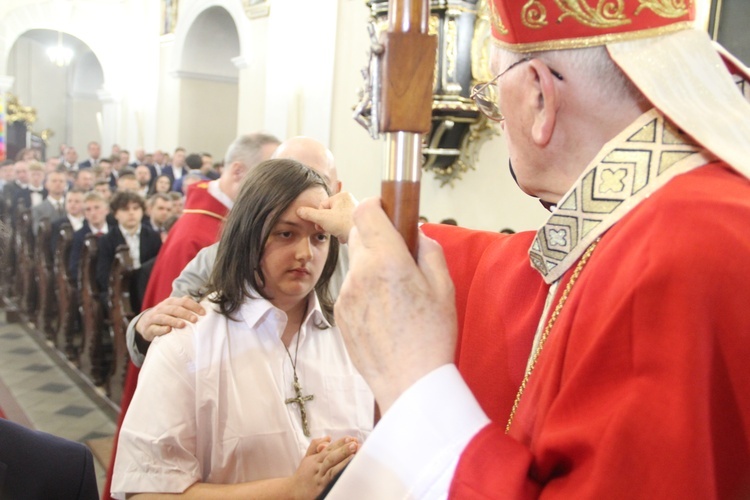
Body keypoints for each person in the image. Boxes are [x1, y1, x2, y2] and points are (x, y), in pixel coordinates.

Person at [299, 2, 750, 498]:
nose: (498, 118)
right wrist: (366, 226)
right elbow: (520, 268)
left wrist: (414, 384)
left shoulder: (673, 251)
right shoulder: (683, 215)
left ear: (540, 95)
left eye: (492, 92)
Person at [111, 159, 372, 498]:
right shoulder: (187, 341)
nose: (305, 253)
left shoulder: (354, 337)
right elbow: (146, 491)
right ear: (248, 234)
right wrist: (289, 491)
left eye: (320, 237)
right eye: (286, 233)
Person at [101, 132, 280, 499]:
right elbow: (178, 327)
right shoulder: (200, 235)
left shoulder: (222, 223)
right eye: (268, 177)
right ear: (237, 171)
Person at [122, 136, 347, 368]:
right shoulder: (216, 258)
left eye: (316, 178)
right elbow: (170, 340)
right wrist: (144, 328)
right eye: (283, 176)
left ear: (337, 191)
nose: (298, 188)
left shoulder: (354, 254)